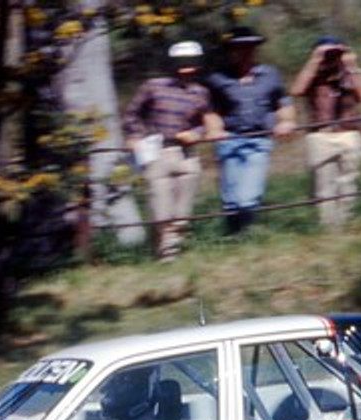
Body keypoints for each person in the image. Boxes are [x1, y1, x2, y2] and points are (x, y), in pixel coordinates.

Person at [122, 40, 211, 260]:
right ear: (172, 64)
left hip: (186, 153)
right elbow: (131, 114)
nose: (186, 68)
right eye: (181, 62)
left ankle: (172, 248)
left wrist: (196, 133)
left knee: (182, 210)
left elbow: (203, 122)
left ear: (198, 64)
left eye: (191, 62)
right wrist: (135, 135)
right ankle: (166, 254)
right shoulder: (153, 86)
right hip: (157, 151)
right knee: (161, 206)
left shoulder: (201, 92)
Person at [204, 25, 297, 234]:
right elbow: (210, 111)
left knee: (248, 198)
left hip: (259, 141)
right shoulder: (217, 78)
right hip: (229, 140)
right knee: (230, 199)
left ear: (255, 49)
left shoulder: (270, 74)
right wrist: (214, 130)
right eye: (238, 48)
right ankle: (233, 239)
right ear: (231, 50)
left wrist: (286, 121)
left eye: (249, 47)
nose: (244, 52)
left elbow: (283, 103)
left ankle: (246, 232)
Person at [290, 36, 361, 227]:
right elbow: (296, 90)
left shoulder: (349, 73)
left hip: (349, 133)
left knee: (348, 184)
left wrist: (351, 64)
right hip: (320, 135)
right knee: (323, 188)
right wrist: (315, 59)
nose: (331, 57)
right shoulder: (313, 76)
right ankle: (328, 229)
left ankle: (346, 224)